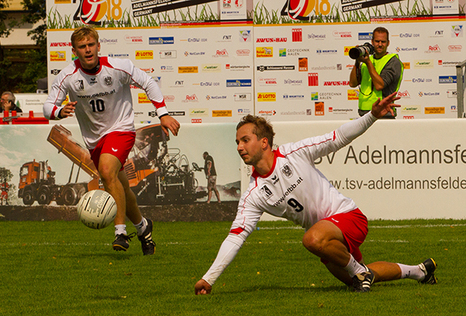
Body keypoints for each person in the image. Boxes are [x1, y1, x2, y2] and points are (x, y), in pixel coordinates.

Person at [195, 93, 437, 295]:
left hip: (346, 217)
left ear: (264, 142)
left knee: (313, 241)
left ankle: (359, 271)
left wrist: (372, 115)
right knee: (360, 277)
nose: (239, 147)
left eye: (245, 140)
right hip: (327, 242)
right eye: (237, 142)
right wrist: (209, 279)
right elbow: (236, 236)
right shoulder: (254, 194)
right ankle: (419, 271)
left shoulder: (293, 153)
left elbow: (338, 137)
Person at [43, 26, 180, 255]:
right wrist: (58, 111)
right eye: (81, 47)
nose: (87, 50)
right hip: (94, 140)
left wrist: (163, 113)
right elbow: (48, 107)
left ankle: (120, 232)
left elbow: (148, 82)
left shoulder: (119, 67)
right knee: (123, 189)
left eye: (90, 45)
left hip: (121, 130)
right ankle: (143, 228)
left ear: (98, 45)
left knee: (106, 172)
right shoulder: (68, 76)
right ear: (74, 50)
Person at [349, 27, 403, 118]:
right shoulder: (367, 60)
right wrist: (357, 61)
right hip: (364, 113)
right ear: (372, 42)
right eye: (377, 41)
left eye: (383, 42)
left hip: (384, 113)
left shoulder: (392, 61)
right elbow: (352, 83)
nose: (380, 44)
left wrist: (368, 62)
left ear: (388, 43)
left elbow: (379, 86)